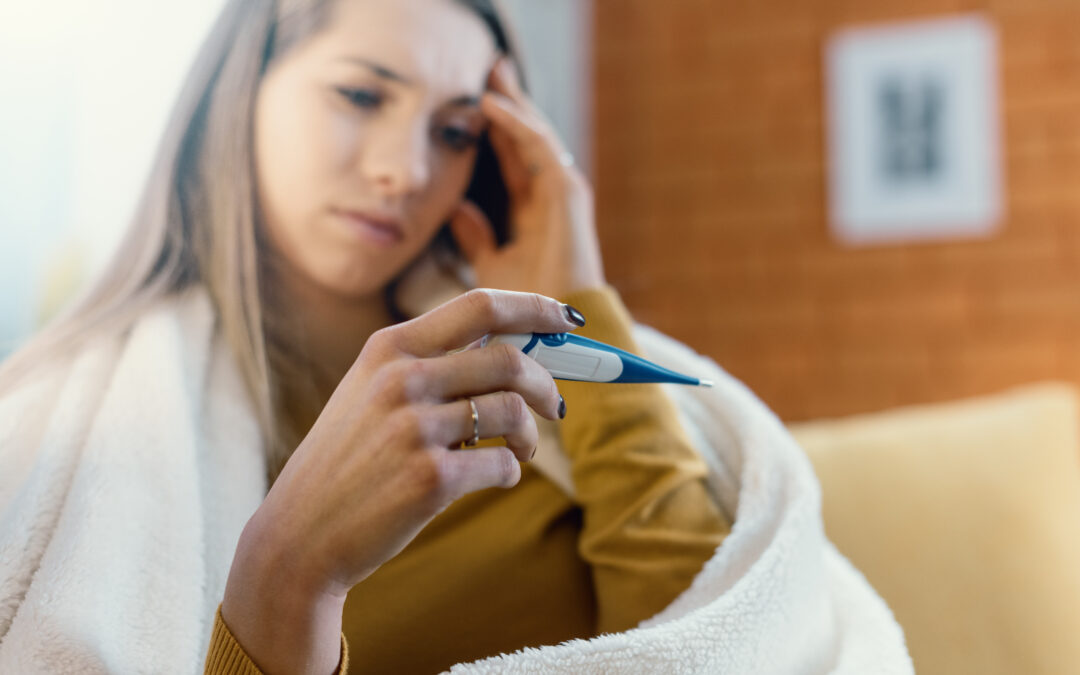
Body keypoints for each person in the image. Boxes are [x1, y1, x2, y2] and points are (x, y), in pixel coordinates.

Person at [0, 0, 730, 672]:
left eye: (454, 132)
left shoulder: (522, 391)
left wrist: (578, 299)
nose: (404, 171)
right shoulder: (61, 436)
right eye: (361, 95)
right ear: (242, 90)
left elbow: (729, 639)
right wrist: (287, 576)